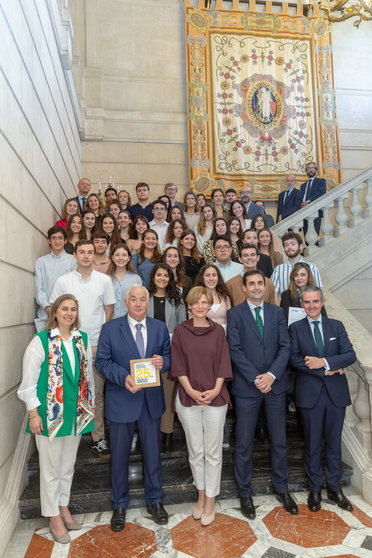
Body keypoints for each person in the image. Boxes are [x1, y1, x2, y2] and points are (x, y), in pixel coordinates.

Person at [18, 294, 94, 544]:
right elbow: (28, 381)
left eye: (73, 309)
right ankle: (52, 516)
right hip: (50, 415)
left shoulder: (81, 339)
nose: (69, 313)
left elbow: (87, 376)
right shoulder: (41, 341)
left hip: (75, 414)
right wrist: (33, 413)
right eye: (65, 308)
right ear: (55, 312)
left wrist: (88, 407)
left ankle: (63, 507)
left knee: (66, 466)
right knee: (50, 470)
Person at [95, 285, 171, 531]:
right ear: (125, 303)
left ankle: (155, 500)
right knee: (118, 457)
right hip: (121, 400)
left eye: (143, 300)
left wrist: (163, 361)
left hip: (150, 402)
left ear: (147, 302)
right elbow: (102, 362)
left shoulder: (159, 327)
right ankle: (119, 504)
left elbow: (168, 357)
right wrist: (124, 377)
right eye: (134, 299)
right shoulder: (110, 329)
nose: (139, 304)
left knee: (153, 455)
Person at [227, 270, 298, 519]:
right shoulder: (234, 314)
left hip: (275, 386)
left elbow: (285, 346)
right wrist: (257, 378)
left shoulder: (277, 312)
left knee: (279, 441)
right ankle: (245, 493)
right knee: (244, 443)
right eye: (252, 284)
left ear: (265, 287)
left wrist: (272, 375)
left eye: (260, 283)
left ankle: (282, 488)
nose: (256, 287)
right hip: (248, 388)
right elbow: (234, 350)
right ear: (244, 288)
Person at [289, 287, 356, 512]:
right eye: (307, 302)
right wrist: (323, 371)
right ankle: (315, 489)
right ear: (302, 304)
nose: (312, 306)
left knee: (334, 444)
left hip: (336, 395)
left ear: (322, 302)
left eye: (315, 301)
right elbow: (294, 359)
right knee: (312, 444)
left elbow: (349, 354)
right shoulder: (295, 328)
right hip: (310, 394)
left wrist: (325, 362)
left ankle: (335, 489)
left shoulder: (336, 326)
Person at [171, 287, 232, 526]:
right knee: (196, 451)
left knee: (213, 452)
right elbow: (178, 365)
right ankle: (200, 495)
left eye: (204, 302)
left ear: (209, 306)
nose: (200, 306)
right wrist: (191, 391)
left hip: (216, 398)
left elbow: (223, 363)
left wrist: (216, 390)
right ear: (189, 305)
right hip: (188, 398)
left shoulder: (218, 331)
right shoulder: (180, 331)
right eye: (196, 302)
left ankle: (211, 500)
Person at [50, 239, 115, 458]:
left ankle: (98, 438)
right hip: (67, 345)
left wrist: (102, 341)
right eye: (82, 252)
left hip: (95, 345)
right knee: (67, 391)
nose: (86, 256)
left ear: (96, 253)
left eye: (90, 252)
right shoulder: (63, 281)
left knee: (95, 393)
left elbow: (109, 311)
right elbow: (55, 310)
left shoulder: (104, 280)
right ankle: (68, 436)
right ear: (75, 255)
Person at [147, 263, 186, 451]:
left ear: (170, 279)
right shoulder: (144, 298)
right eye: (159, 275)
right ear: (153, 277)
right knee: (148, 395)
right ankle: (149, 434)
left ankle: (168, 433)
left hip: (169, 354)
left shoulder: (177, 300)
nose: (162, 278)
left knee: (168, 395)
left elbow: (182, 328)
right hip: (146, 355)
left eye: (166, 276)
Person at [34, 226, 76, 332]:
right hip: (45, 315)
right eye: (53, 238)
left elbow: (72, 288)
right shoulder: (41, 262)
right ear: (49, 240)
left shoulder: (73, 261)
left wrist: (62, 309)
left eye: (60, 238)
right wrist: (48, 308)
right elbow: (39, 290)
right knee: (45, 347)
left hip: (67, 315)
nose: (57, 241)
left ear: (65, 240)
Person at [270, 232, 323, 297]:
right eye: (286, 245)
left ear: (300, 246)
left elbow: (318, 293)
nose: (289, 247)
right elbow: (273, 293)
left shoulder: (312, 268)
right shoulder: (278, 269)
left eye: (293, 244)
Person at [108, 244, 142, 318]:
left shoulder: (136, 279)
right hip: (109, 322)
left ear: (129, 258)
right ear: (112, 258)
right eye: (117, 255)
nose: (120, 258)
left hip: (129, 322)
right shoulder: (106, 279)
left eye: (124, 255)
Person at [300, 162, 326, 237]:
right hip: (304, 213)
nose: (310, 170)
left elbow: (321, 193)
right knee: (306, 236)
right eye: (308, 168)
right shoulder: (303, 185)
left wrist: (308, 202)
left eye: (312, 168)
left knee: (314, 236)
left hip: (315, 212)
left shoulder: (321, 181)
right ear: (306, 171)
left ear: (316, 170)